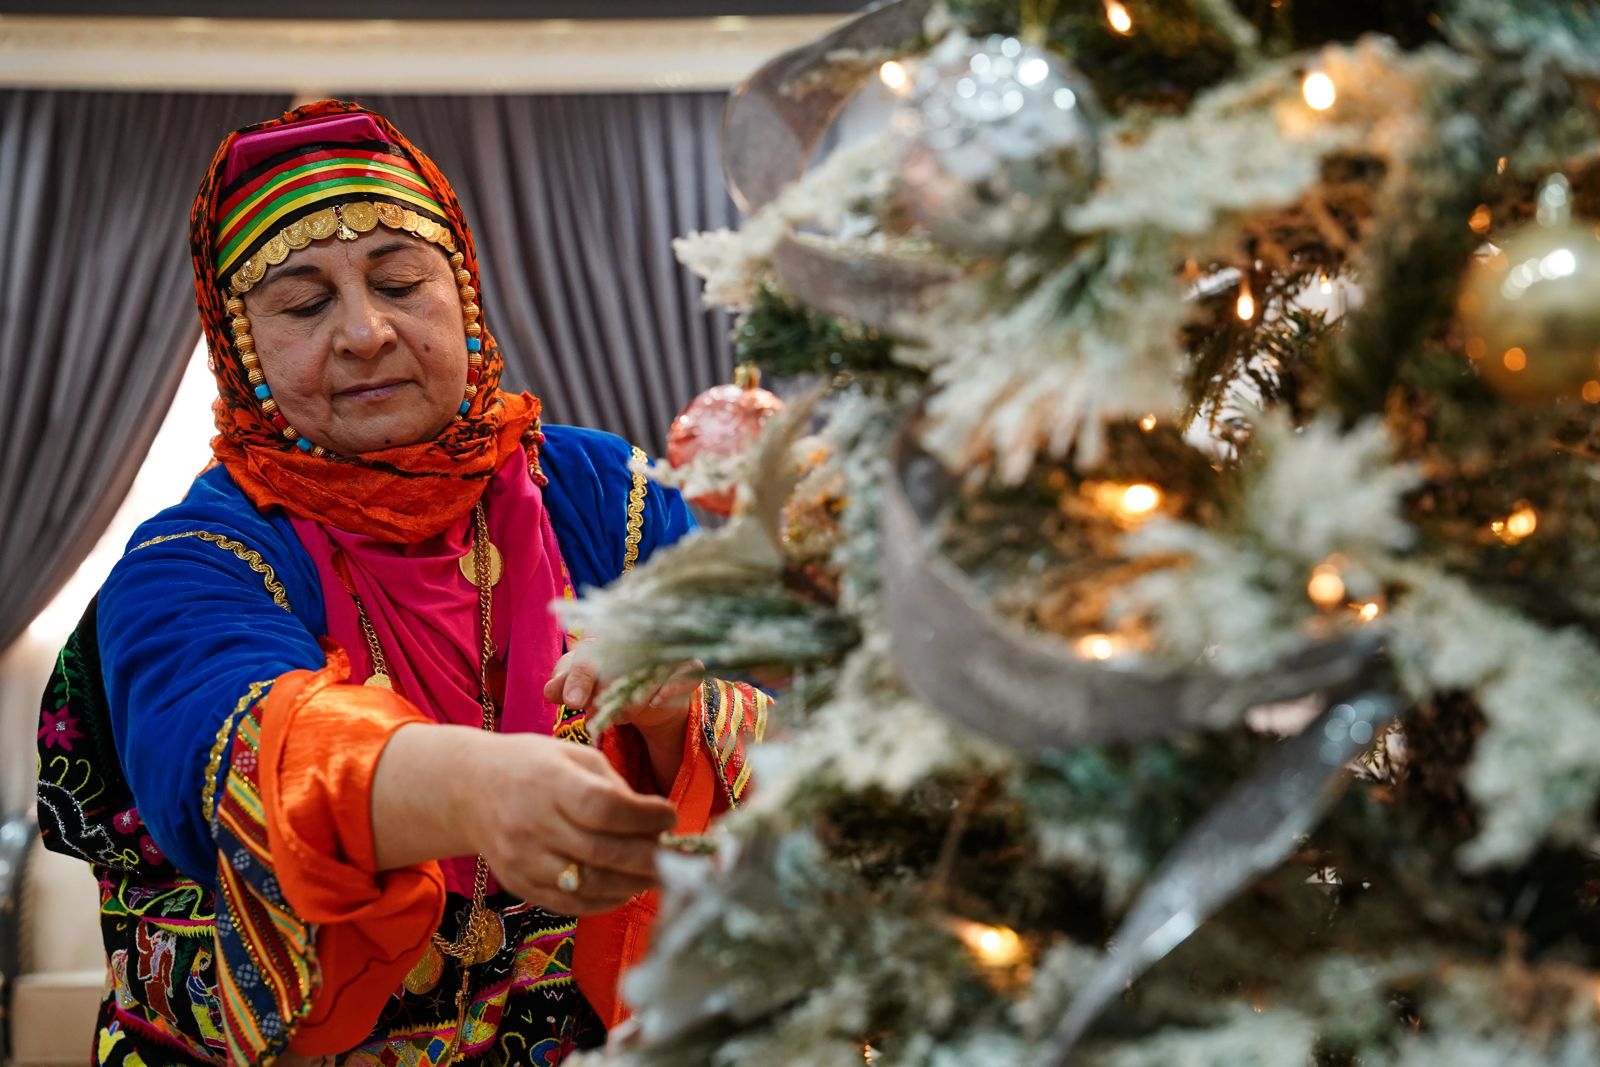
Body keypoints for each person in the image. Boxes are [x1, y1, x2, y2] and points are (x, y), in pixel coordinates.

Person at [34, 99, 768, 1066]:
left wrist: (679, 714)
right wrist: (476, 787)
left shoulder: (601, 494)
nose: (366, 332)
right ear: (240, 349)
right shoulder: (198, 559)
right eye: (304, 305)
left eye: (400, 282)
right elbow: (227, 754)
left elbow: (813, 724)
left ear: (460, 296)